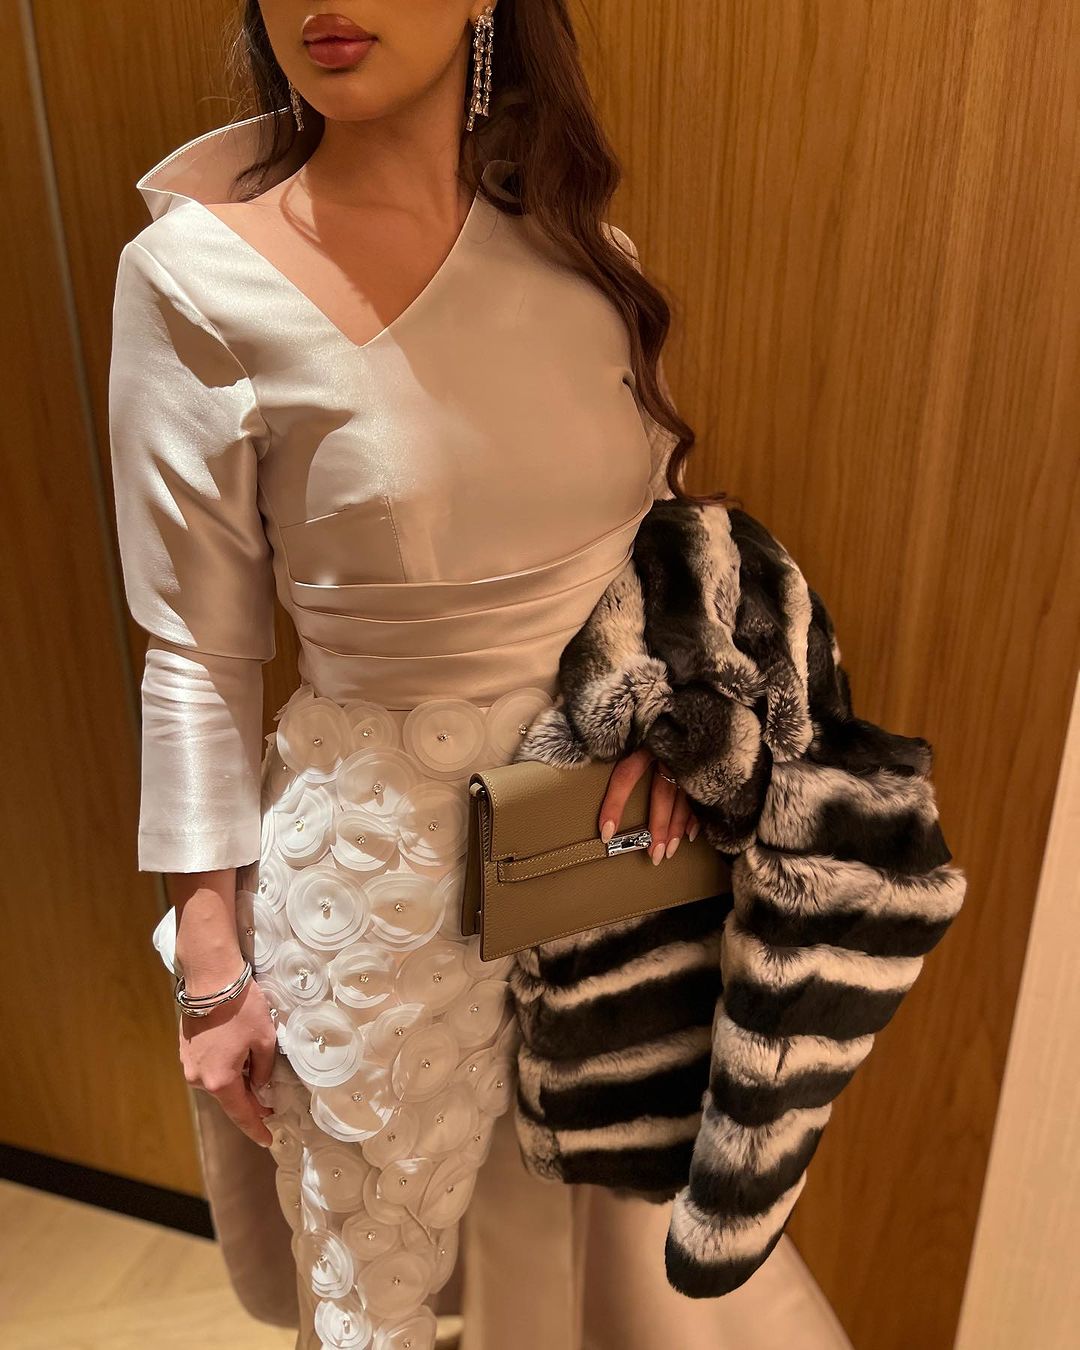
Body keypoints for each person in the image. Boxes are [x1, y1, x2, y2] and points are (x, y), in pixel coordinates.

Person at [107, 4, 754, 1348]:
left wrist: (674, 721)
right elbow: (195, 652)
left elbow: (660, 556)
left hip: (607, 860)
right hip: (379, 896)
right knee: (374, 1302)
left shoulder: (585, 257)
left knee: (579, 1270)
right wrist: (210, 965)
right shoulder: (196, 276)